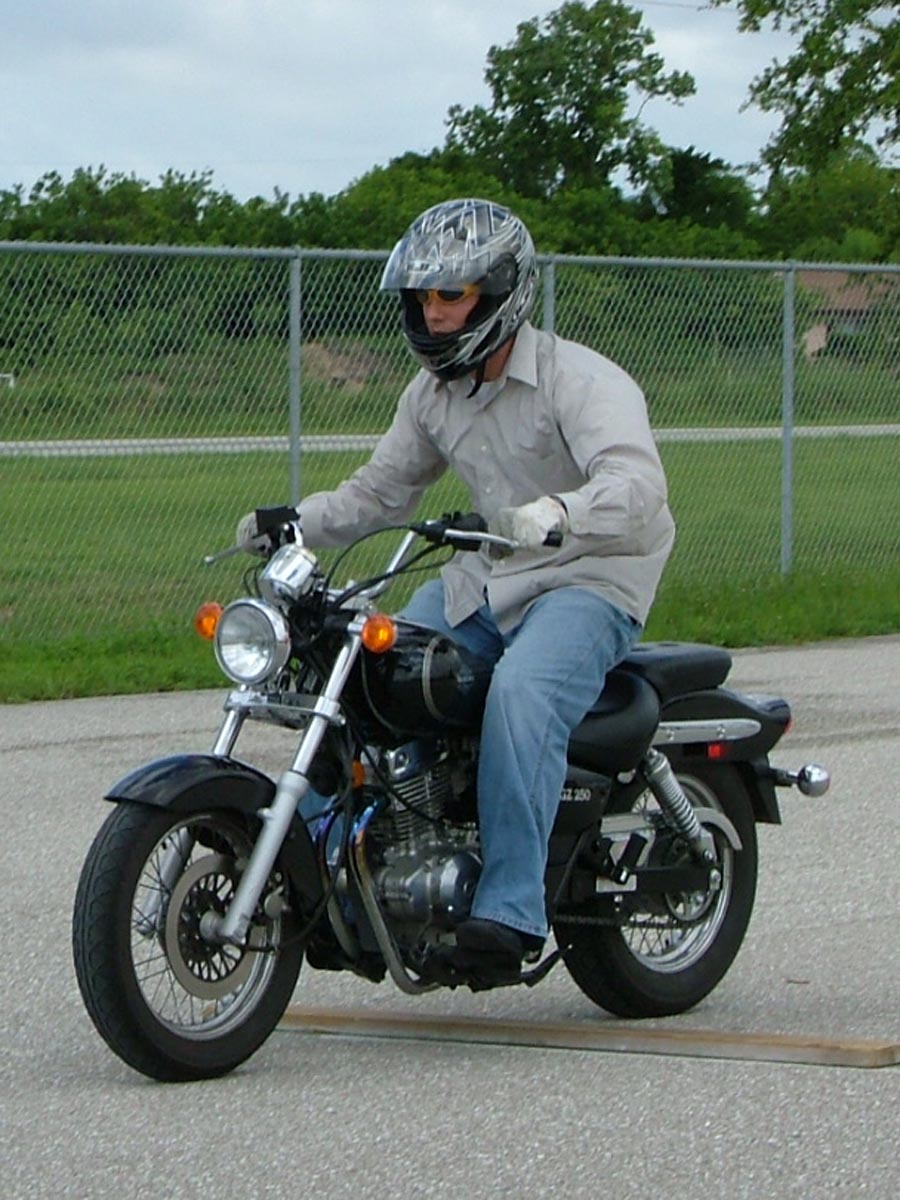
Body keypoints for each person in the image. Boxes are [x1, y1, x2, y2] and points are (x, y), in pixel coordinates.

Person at [237, 197, 675, 988]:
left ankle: (509, 913)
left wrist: (560, 513)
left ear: (502, 292)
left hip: (589, 576)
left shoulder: (580, 380)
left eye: (451, 295)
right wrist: (295, 522)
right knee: (374, 673)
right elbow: (381, 492)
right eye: (422, 297)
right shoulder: (431, 395)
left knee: (522, 693)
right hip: (487, 575)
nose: (433, 313)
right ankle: (345, 870)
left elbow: (639, 487)